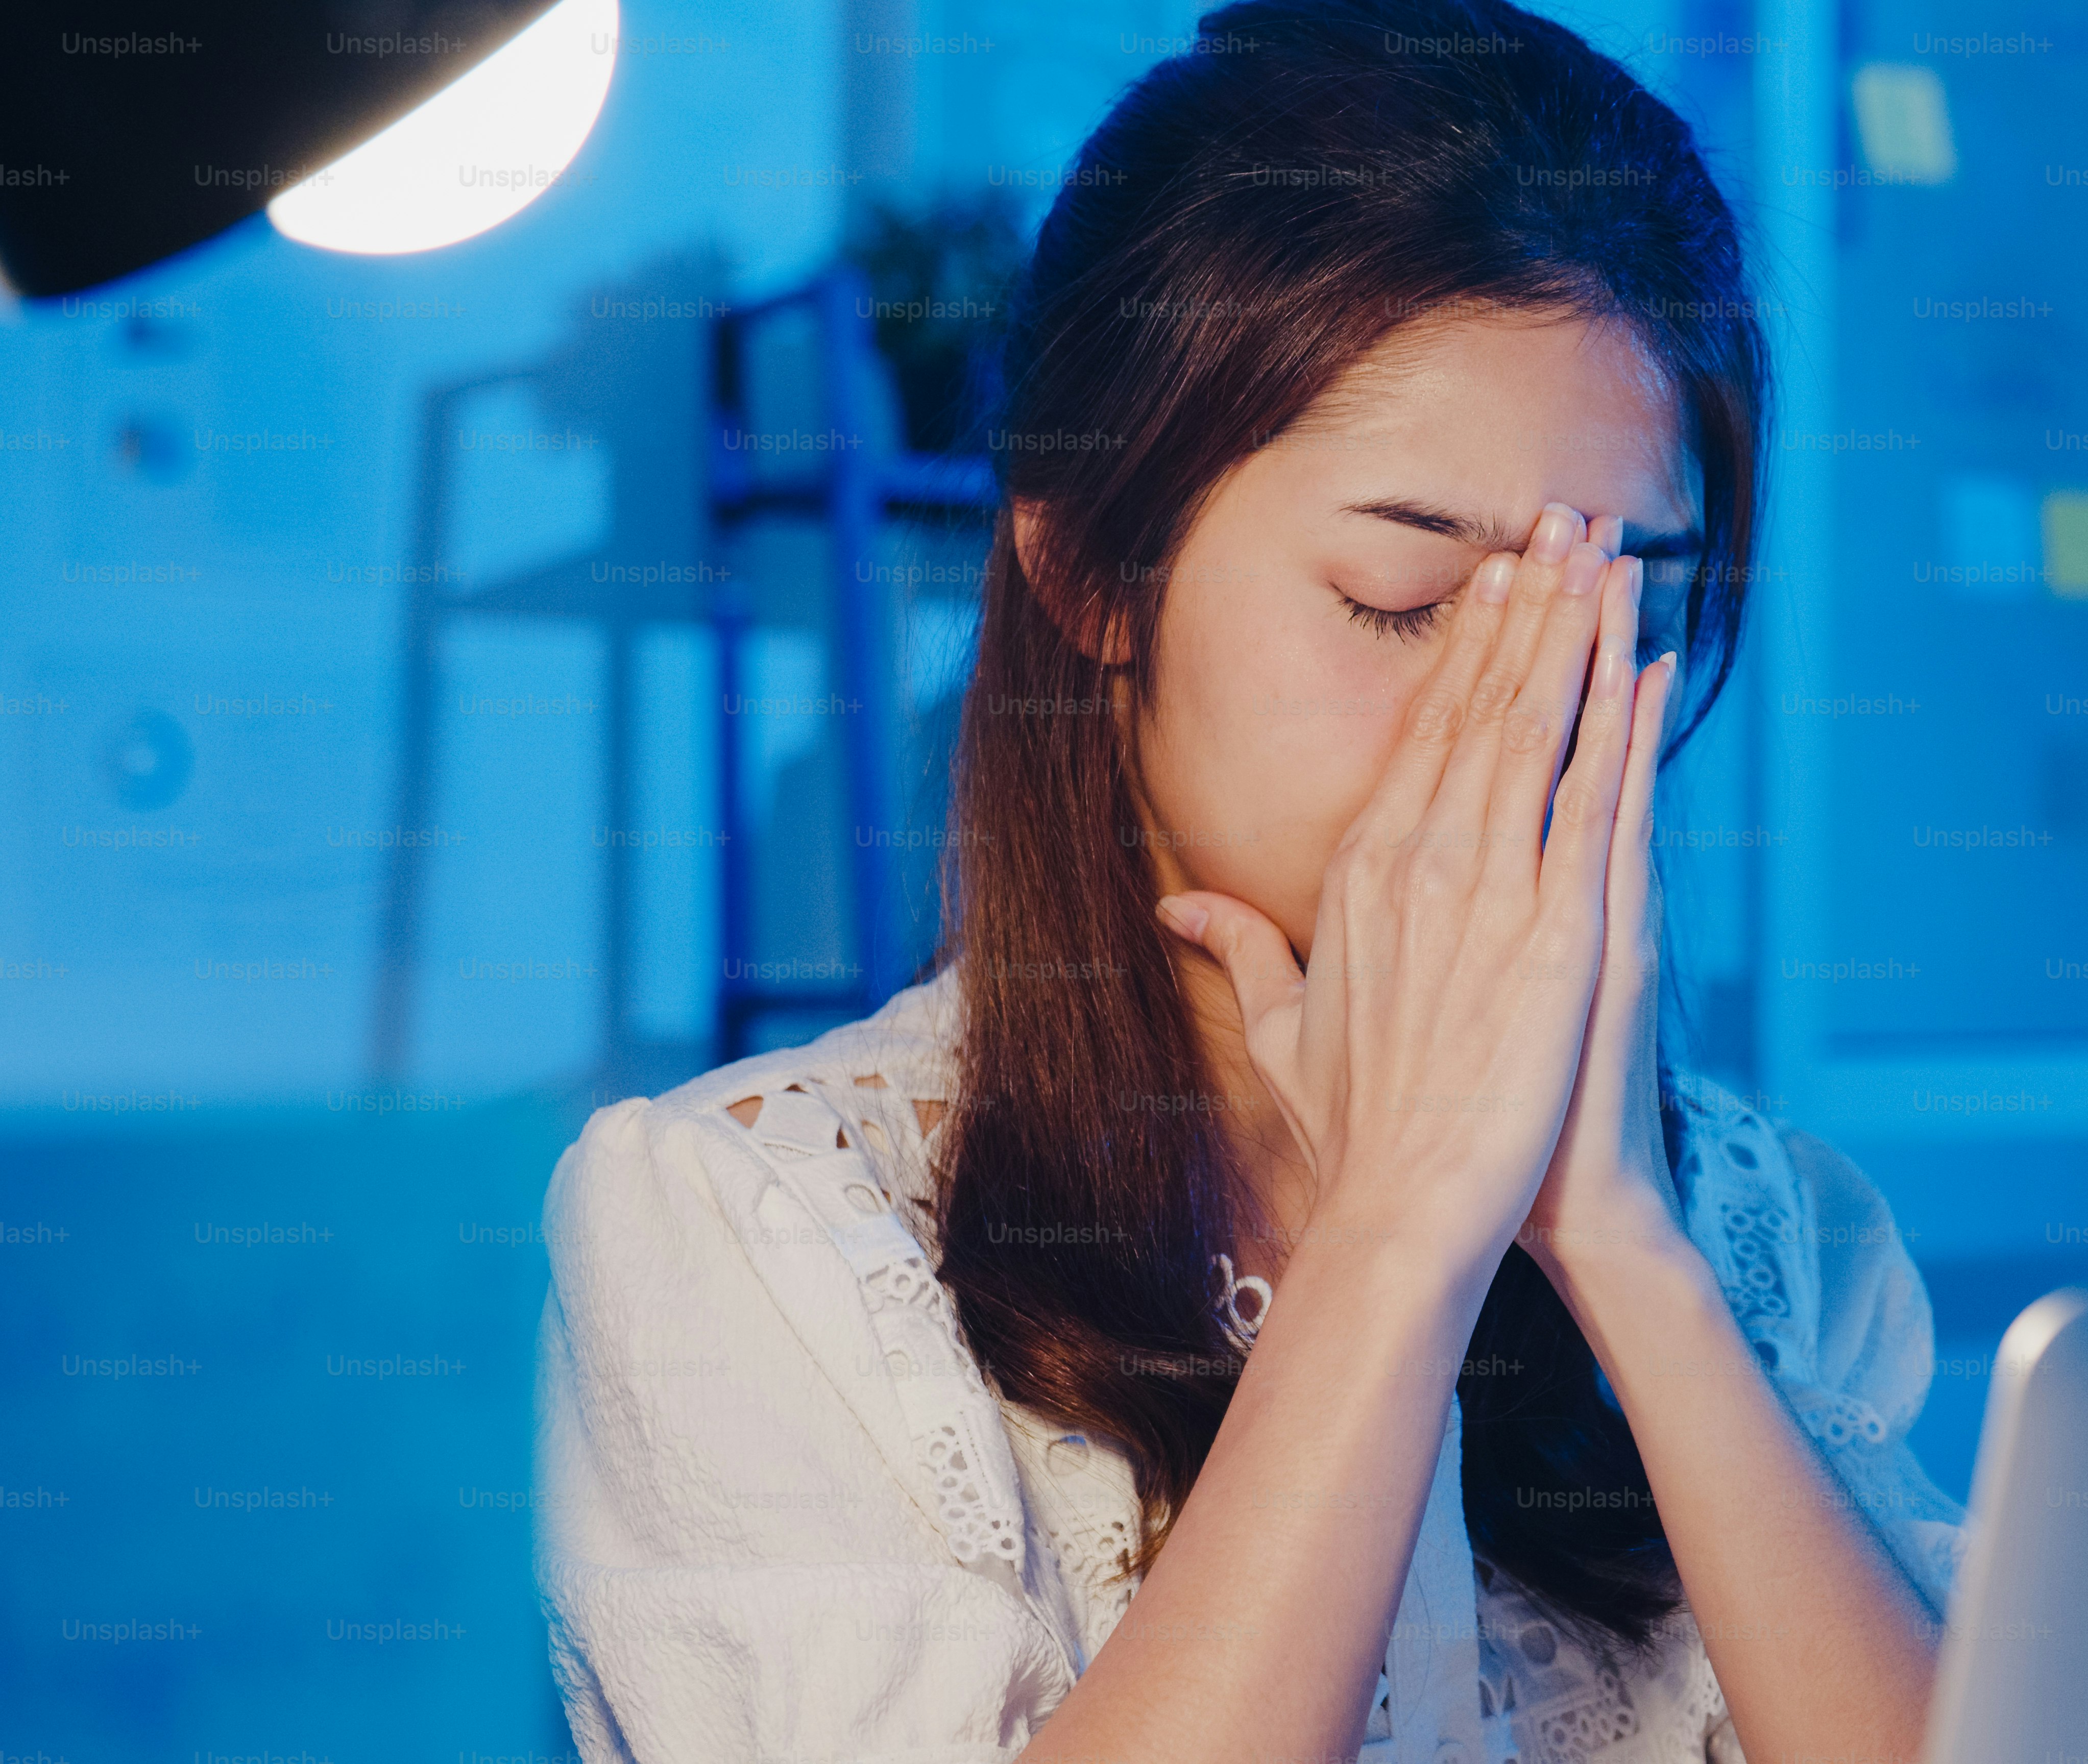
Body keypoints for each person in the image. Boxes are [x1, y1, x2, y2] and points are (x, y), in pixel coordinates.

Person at [534, 2, 1965, 1758]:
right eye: (1402, 601)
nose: (1523, 719)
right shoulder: (755, 1236)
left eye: (1624, 614)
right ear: (1092, 576)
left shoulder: (1772, 1234)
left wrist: (1621, 1245)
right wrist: (1396, 1236)